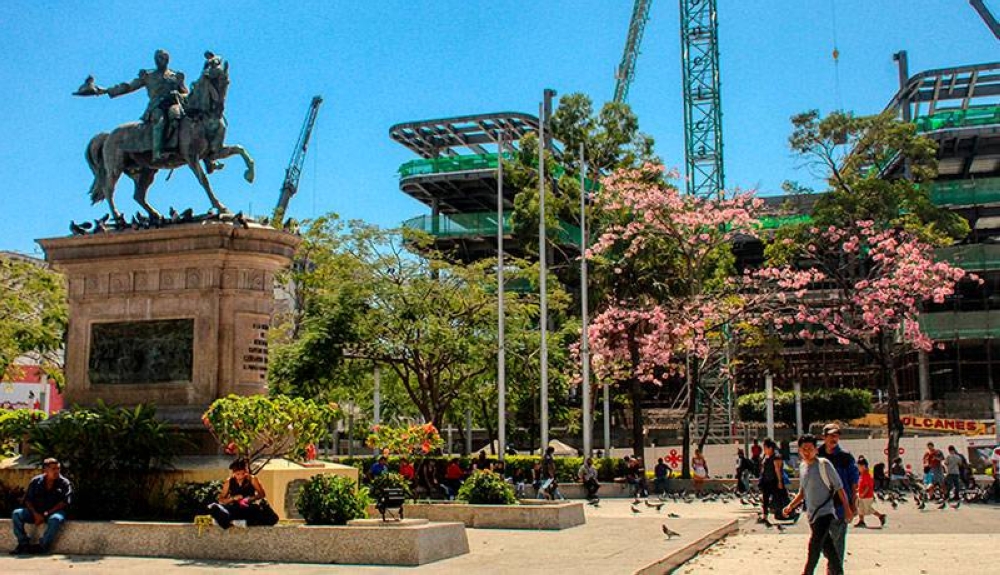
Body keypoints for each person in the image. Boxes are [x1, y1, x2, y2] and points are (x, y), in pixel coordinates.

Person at [100, 49, 188, 162]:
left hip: (174, 105)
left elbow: (185, 92)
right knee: (160, 122)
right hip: (157, 106)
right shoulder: (148, 76)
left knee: (184, 119)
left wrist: (180, 94)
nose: (161, 61)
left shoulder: (175, 76)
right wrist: (108, 91)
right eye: (159, 58)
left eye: (164, 58)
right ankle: (157, 153)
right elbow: (129, 86)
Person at [784, 435, 853, 575]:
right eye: (804, 449)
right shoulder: (803, 467)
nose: (807, 452)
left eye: (810, 448)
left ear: (816, 449)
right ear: (799, 451)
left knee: (814, 547)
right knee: (829, 550)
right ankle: (838, 572)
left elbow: (839, 488)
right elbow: (802, 493)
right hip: (812, 516)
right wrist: (790, 506)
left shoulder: (824, 464)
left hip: (825, 513)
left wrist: (847, 509)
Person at [816, 424, 858, 573]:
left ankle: (835, 570)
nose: (834, 438)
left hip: (840, 506)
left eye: (837, 435)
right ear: (824, 437)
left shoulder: (845, 457)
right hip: (820, 506)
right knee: (821, 542)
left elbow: (853, 482)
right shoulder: (816, 455)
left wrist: (853, 505)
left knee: (838, 542)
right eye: (831, 435)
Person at [10, 458, 72, 555]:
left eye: (58, 468)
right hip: (36, 512)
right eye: (53, 469)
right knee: (16, 513)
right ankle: (23, 544)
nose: (57, 471)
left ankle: (42, 546)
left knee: (56, 519)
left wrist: (46, 513)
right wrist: (35, 514)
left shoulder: (64, 483)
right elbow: (28, 500)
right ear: (45, 470)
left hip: (54, 512)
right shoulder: (36, 481)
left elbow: (64, 502)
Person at [207, 459, 277, 529]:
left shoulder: (252, 479)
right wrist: (233, 498)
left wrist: (249, 499)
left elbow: (262, 494)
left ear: (246, 472)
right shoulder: (229, 481)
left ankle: (241, 523)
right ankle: (229, 523)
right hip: (234, 509)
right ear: (233, 473)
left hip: (249, 508)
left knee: (272, 518)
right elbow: (221, 500)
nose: (241, 476)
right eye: (238, 474)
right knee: (214, 508)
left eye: (243, 474)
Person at [758, 439, 787, 521]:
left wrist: (780, 481)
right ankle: (765, 516)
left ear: (770, 448)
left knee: (780, 498)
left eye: (765, 448)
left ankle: (783, 513)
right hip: (766, 482)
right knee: (766, 499)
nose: (764, 450)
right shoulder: (766, 456)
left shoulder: (776, 457)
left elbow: (778, 470)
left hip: (774, 481)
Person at [854, 457, 886, 528]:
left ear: (864, 466)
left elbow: (868, 486)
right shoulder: (862, 474)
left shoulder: (867, 475)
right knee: (860, 508)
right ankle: (861, 521)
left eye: (859, 466)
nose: (858, 468)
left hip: (867, 496)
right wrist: (858, 490)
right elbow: (861, 485)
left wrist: (863, 494)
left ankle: (881, 516)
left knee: (868, 509)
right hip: (862, 495)